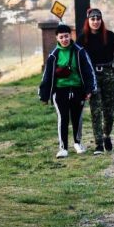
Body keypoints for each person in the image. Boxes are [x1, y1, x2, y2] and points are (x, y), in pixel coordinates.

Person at [39, 24, 96, 159]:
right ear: (57, 38)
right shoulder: (53, 55)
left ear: (71, 36)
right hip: (60, 92)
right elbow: (47, 76)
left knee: (77, 118)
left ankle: (77, 143)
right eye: (61, 37)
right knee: (63, 118)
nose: (64, 39)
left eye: (66, 36)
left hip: (78, 90)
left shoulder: (79, 52)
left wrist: (89, 89)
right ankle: (63, 147)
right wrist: (44, 95)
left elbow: (89, 71)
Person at [80, 8, 114, 154]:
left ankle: (106, 135)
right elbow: (77, 57)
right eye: (92, 19)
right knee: (96, 109)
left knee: (109, 110)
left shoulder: (109, 36)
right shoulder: (83, 38)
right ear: (88, 21)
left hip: (108, 74)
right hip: (92, 76)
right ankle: (98, 144)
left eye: (98, 19)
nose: (95, 21)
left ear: (101, 20)